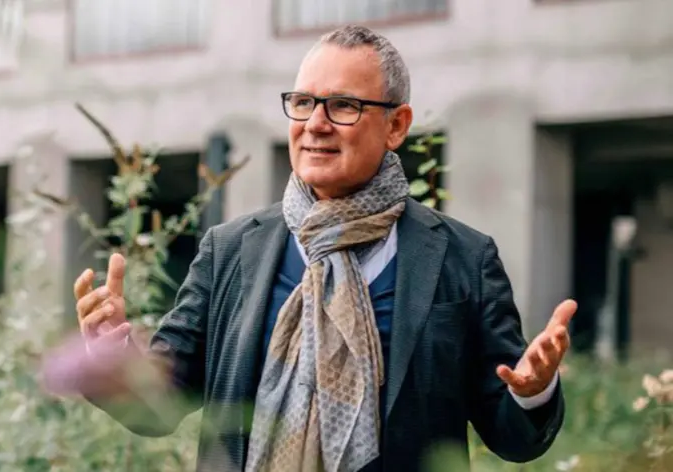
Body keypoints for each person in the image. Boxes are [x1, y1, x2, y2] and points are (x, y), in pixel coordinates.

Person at [42, 24, 571, 472]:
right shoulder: (230, 251)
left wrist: (532, 393)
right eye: (302, 103)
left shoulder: (462, 258)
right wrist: (115, 364)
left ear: (396, 126)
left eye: (342, 106)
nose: (315, 124)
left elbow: (512, 437)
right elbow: (159, 408)